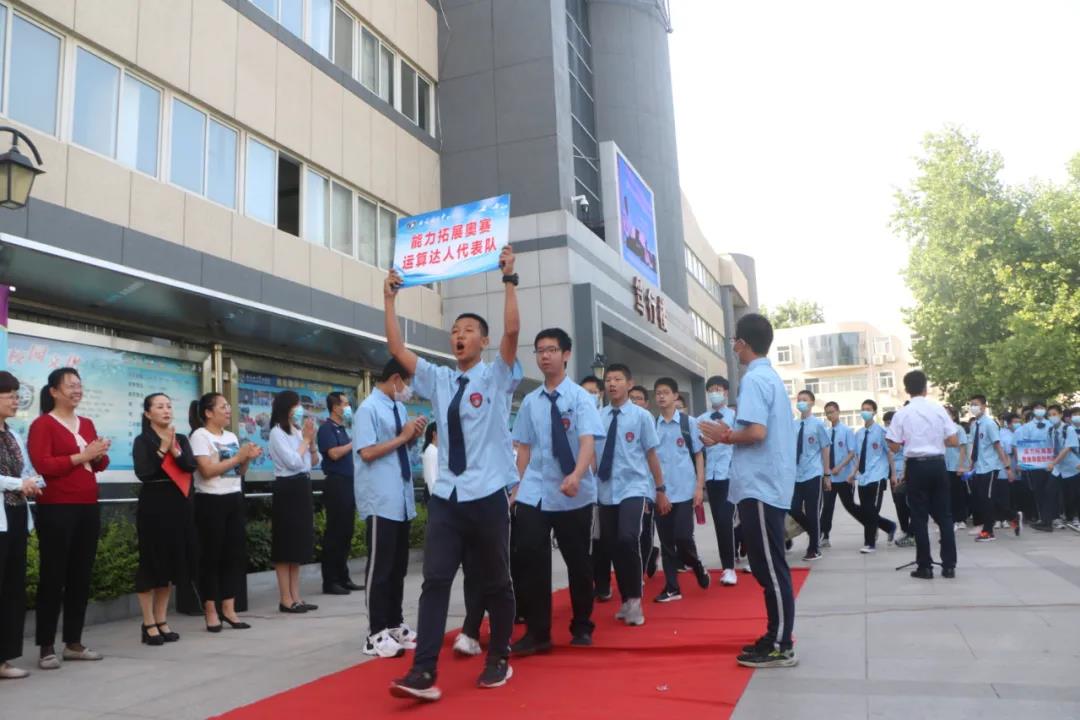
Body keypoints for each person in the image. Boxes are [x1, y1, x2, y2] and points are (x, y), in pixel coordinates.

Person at [386, 246, 522, 702]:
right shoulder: (439, 379)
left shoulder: (497, 376)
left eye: (468, 331)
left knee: (495, 581)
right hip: (447, 497)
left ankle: (498, 656)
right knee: (435, 581)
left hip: (487, 496)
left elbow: (513, 331)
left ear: (482, 341)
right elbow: (396, 350)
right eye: (455, 331)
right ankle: (423, 671)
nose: (459, 336)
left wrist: (509, 279)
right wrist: (390, 299)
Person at [699, 313, 797, 668]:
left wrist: (724, 436)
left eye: (734, 342)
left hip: (761, 485)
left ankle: (781, 644)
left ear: (742, 343)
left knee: (770, 567)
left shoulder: (755, 379)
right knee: (763, 565)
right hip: (764, 483)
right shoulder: (768, 377)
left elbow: (756, 432)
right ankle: (774, 634)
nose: (734, 348)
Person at [511, 328, 603, 653]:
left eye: (551, 349)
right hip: (535, 490)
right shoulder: (530, 402)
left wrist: (577, 474)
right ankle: (538, 633)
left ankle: (582, 625)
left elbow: (587, 442)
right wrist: (516, 486)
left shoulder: (580, 399)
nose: (545, 356)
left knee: (578, 562)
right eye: (539, 350)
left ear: (566, 354)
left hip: (572, 491)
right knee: (531, 559)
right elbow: (523, 447)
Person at [27, 367, 110, 670]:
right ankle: (46, 646)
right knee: (54, 575)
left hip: (88, 505)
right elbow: (43, 465)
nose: (77, 390)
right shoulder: (43, 424)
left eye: (79, 385)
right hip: (56, 507)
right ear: (53, 391)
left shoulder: (86, 423)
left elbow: (99, 464)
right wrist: (83, 456)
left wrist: (98, 454)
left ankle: (74, 642)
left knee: (81, 575)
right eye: (70, 385)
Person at [354, 358, 426, 658]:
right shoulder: (368, 409)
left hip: (401, 497)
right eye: (407, 382)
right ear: (396, 378)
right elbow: (367, 452)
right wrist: (402, 437)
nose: (408, 389)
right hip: (380, 498)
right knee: (380, 568)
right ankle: (375, 633)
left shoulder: (397, 407)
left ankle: (394, 624)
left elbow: (400, 447)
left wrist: (412, 437)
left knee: (398, 567)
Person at [595, 363, 668, 626]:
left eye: (617, 379)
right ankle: (626, 599)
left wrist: (660, 489)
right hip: (605, 490)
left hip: (634, 488)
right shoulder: (598, 417)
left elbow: (651, 455)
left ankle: (636, 599)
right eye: (608, 379)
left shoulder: (641, 417)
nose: (612, 384)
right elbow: (592, 454)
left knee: (628, 538)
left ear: (629, 383)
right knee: (613, 545)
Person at [190, 392, 260, 632]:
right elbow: (207, 471)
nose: (228, 410)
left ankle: (229, 609)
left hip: (233, 497)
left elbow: (238, 472)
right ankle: (211, 610)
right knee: (211, 556)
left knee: (233, 555)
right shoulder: (200, 436)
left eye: (228, 406)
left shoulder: (230, 436)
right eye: (223, 406)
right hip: (210, 500)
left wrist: (246, 459)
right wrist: (238, 457)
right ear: (208, 413)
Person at [132, 393, 198, 646]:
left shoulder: (180, 438)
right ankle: (148, 623)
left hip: (178, 505)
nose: (166, 410)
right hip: (154, 506)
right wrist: (162, 449)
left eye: (169, 406)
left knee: (170, 564)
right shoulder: (143, 440)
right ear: (148, 413)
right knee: (151, 563)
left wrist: (175, 450)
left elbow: (190, 466)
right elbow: (144, 472)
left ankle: (161, 620)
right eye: (159, 406)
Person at [885, 370, 959, 579]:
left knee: (919, 517)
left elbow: (894, 446)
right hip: (938, 465)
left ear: (906, 389)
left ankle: (925, 566)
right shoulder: (938, 409)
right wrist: (934, 442)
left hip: (916, 467)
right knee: (944, 516)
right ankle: (949, 566)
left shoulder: (902, 414)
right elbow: (954, 441)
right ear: (926, 388)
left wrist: (910, 442)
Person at [651, 377, 709, 602]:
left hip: (685, 490)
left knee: (683, 537)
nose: (661, 396)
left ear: (675, 396)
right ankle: (672, 587)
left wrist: (699, 487)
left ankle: (696, 565)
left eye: (666, 392)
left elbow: (698, 455)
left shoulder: (688, 423)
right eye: (658, 393)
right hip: (661, 492)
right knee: (666, 542)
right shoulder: (652, 425)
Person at [0, 371, 42, 678]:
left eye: (17, 395)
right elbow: (14, 479)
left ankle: (4, 659)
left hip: (15, 515)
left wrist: (34, 483)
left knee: (13, 588)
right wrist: (19, 483)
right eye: (10, 396)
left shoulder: (13, 434)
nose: (16, 401)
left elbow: (26, 470)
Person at [268, 391, 320, 613]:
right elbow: (292, 462)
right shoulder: (276, 432)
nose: (300, 409)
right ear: (286, 407)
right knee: (285, 545)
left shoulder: (298, 431)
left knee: (297, 544)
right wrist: (305, 441)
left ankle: (296, 596)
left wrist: (311, 441)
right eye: (296, 405)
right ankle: (285, 598)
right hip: (287, 488)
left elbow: (313, 461)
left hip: (302, 486)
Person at [317, 392, 361, 596]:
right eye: (344, 404)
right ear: (335, 407)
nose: (347, 407)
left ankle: (343, 577)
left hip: (349, 483)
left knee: (346, 531)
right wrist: (353, 443)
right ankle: (330, 580)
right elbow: (333, 453)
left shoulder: (343, 429)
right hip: (336, 483)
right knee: (335, 532)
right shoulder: (326, 428)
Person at [698, 375, 737, 584]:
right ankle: (728, 565)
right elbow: (697, 449)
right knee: (721, 522)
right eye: (711, 389)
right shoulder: (701, 419)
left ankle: (730, 567)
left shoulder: (735, 417)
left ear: (726, 392)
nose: (714, 393)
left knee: (725, 519)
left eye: (718, 389)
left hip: (730, 475)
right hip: (712, 477)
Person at [968, 394, 1015, 540]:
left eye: (976, 404)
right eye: (971, 404)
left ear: (984, 406)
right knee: (985, 498)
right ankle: (1012, 516)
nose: (973, 407)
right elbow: (975, 446)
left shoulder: (989, 424)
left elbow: (997, 446)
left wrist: (1007, 468)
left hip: (990, 467)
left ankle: (988, 531)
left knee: (987, 499)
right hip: (979, 467)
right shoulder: (974, 425)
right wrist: (971, 464)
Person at [852, 400, 897, 553]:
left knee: (871, 510)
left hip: (878, 476)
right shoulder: (859, 434)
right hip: (863, 477)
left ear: (874, 412)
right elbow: (858, 456)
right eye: (863, 409)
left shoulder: (881, 432)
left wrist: (893, 474)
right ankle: (889, 526)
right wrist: (853, 474)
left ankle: (869, 543)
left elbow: (890, 453)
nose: (865, 412)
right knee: (866, 511)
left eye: (868, 409)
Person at [790, 390, 830, 561]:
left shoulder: (818, 424)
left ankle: (814, 549)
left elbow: (825, 448)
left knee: (813, 511)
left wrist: (826, 474)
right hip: (796, 475)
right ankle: (815, 531)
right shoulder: (793, 425)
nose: (801, 402)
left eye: (804, 400)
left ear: (812, 402)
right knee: (793, 508)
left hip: (813, 473)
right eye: (799, 400)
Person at [819, 401, 857, 548]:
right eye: (827, 413)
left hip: (844, 477)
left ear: (838, 411)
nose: (830, 415)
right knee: (827, 507)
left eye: (832, 412)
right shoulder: (826, 432)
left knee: (851, 506)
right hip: (830, 478)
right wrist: (826, 472)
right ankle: (824, 536)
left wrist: (840, 467)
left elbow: (852, 452)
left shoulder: (846, 431)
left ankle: (873, 525)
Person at [883, 410, 913, 547]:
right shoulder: (888, 435)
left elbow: (907, 455)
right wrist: (893, 474)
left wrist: (904, 474)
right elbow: (889, 454)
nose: (889, 426)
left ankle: (912, 533)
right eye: (886, 423)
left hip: (906, 472)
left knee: (909, 502)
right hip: (894, 472)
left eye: (890, 423)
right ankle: (905, 529)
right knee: (898, 502)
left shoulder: (905, 433)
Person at [944, 406, 971, 531]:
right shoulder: (941, 429)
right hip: (944, 465)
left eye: (948, 413)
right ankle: (951, 519)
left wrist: (961, 466)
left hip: (956, 466)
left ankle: (961, 519)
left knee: (958, 494)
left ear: (954, 416)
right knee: (947, 494)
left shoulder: (958, 428)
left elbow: (963, 448)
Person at [1057, 408, 1080, 532]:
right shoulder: (1067, 430)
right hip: (1071, 467)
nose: (1078, 417)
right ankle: (1072, 516)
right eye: (1075, 415)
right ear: (1070, 417)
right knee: (1072, 493)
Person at [422, 422, 438, 497]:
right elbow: (432, 479)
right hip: (434, 496)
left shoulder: (434, 450)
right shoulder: (432, 451)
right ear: (434, 434)